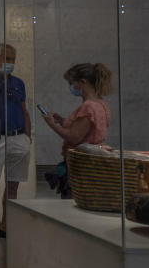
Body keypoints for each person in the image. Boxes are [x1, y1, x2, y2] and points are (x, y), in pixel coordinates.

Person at [42, 63, 112, 198]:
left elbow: (74, 137)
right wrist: (62, 121)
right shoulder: (101, 104)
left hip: (80, 165)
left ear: (82, 82)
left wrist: (51, 124)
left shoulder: (88, 107)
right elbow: (89, 130)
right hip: (92, 162)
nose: (71, 87)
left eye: (71, 83)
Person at [0, 43, 31, 240]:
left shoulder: (18, 83)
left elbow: (24, 110)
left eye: (12, 59)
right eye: (6, 58)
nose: (10, 63)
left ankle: (7, 225)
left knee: (13, 186)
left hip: (17, 137)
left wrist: (27, 136)